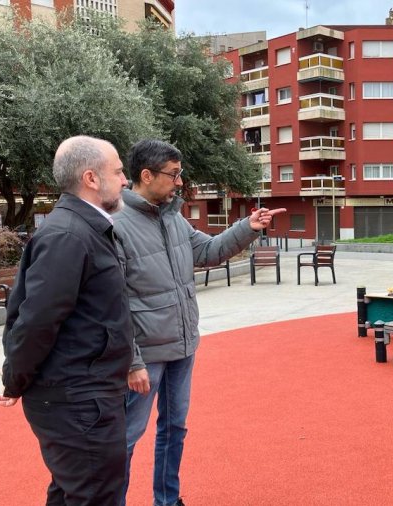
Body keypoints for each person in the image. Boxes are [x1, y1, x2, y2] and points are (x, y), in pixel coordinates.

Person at [114, 139, 284, 506]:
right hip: (145, 356)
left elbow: (208, 251)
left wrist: (248, 227)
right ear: (146, 175)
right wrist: (132, 360)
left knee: (175, 428)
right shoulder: (116, 226)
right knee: (125, 437)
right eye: (173, 175)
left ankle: (167, 500)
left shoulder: (173, 218)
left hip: (183, 344)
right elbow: (112, 304)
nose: (179, 183)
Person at [0, 136, 133, 505]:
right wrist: (14, 380)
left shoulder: (84, 229)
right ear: (91, 178)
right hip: (78, 401)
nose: (125, 180)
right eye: (118, 172)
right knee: (94, 496)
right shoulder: (70, 234)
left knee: (74, 494)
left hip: (85, 396)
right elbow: (36, 320)